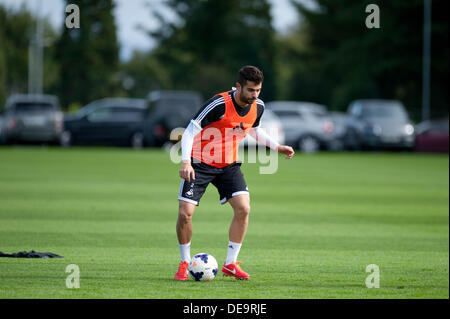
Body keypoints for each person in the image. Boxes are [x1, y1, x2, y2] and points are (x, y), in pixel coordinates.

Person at [174, 65, 295, 281]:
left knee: (243, 209)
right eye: (250, 90)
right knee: (185, 214)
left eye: (258, 90)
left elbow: (254, 130)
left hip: (228, 165)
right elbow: (190, 130)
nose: (254, 95)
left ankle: (230, 264)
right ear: (238, 86)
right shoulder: (219, 103)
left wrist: (277, 147)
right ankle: (184, 262)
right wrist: (186, 162)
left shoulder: (258, 106)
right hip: (199, 163)